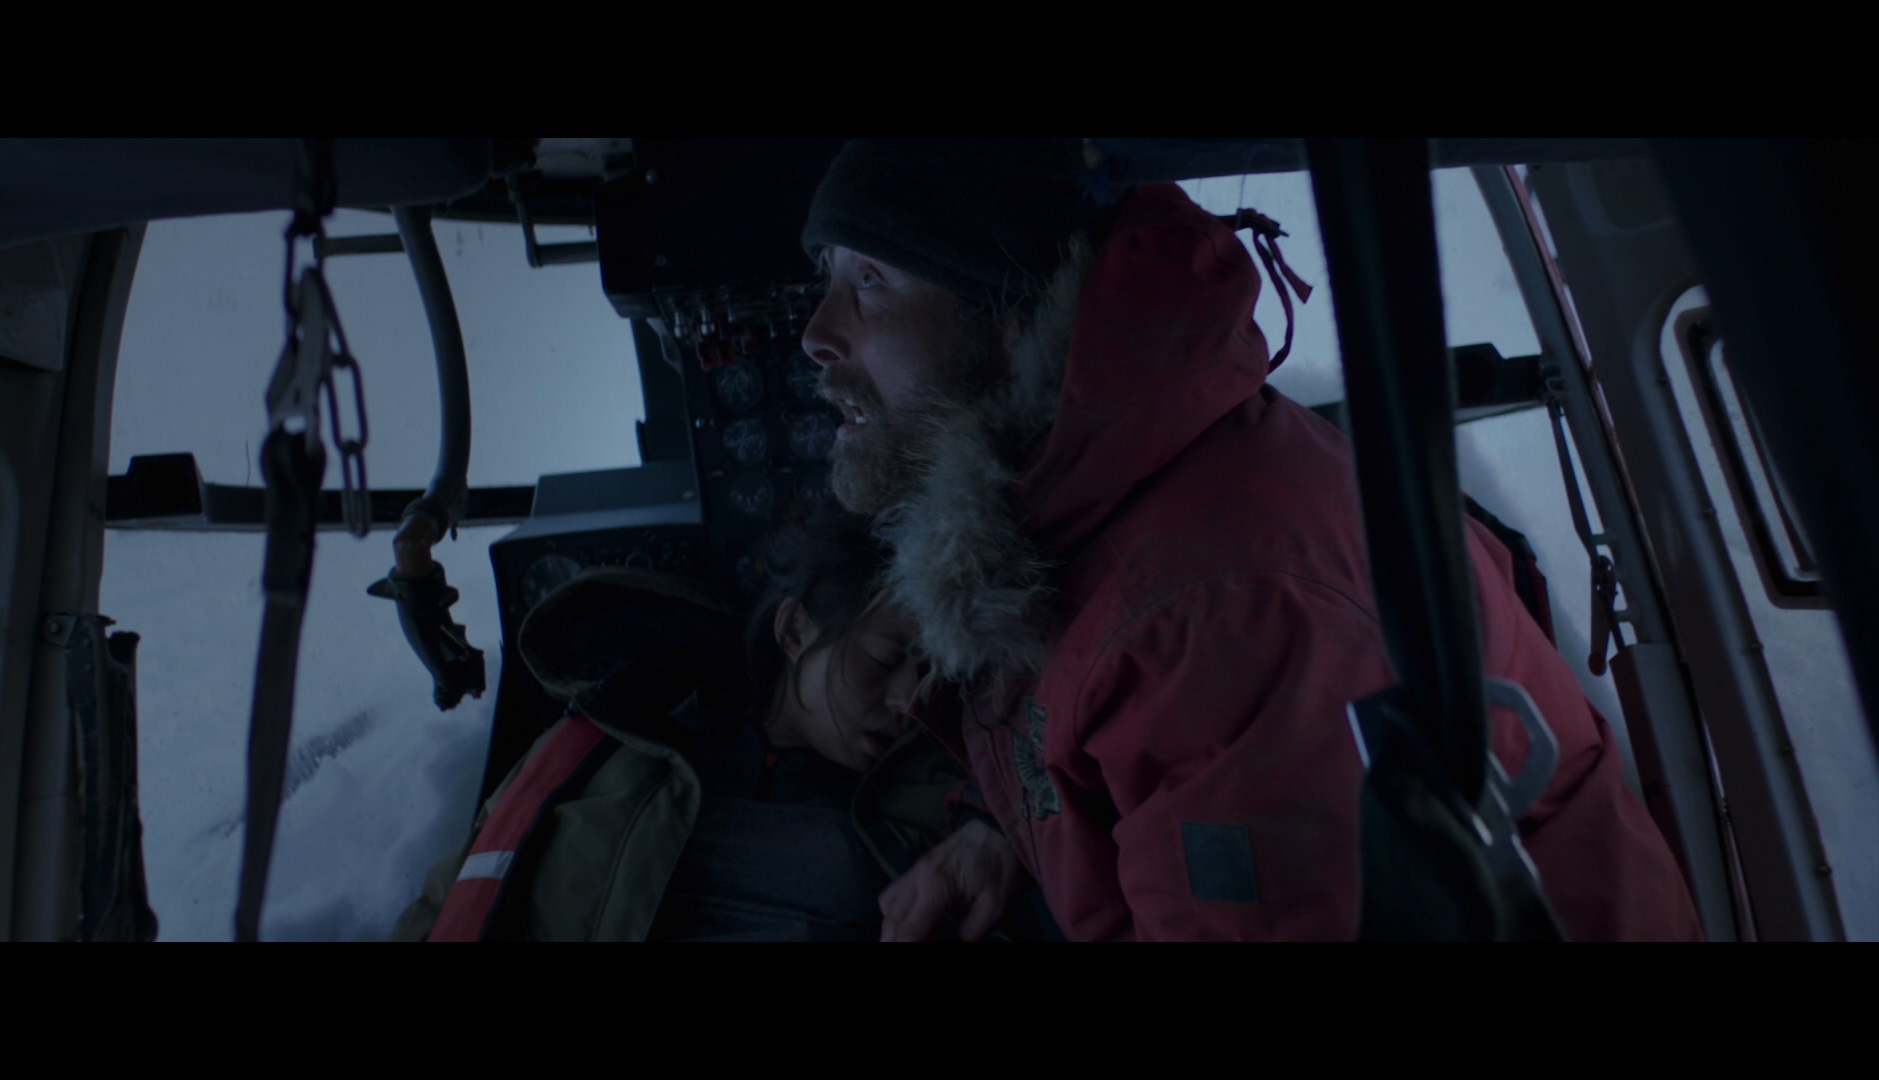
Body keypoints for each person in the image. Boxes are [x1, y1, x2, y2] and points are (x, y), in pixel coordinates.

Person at [799, 138, 1703, 942]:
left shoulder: (1212, 615)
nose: (816, 336)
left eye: (869, 281)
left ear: (1015, 317)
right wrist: (998, 836)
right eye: (827, 279)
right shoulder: (1082, 503)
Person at [391, 508, 1006, 942]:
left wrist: (998, 831)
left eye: (928, 676)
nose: (908, 701)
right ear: (795, 630)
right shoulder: (608, 741)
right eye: (883, 660)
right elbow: (453, 896)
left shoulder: (950, 804)